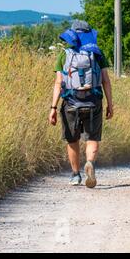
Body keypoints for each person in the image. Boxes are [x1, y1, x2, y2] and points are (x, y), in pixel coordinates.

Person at [48, 20, 114, 188]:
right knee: (92, 137)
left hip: (70, 102)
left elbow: (58, 82)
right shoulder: (97, 53)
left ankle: (76, 175)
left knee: (72, 139)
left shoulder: (65, 54)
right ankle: (90, 162)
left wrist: (53, 108)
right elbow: (106, 81)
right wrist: (110, 104)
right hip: (93, 101)